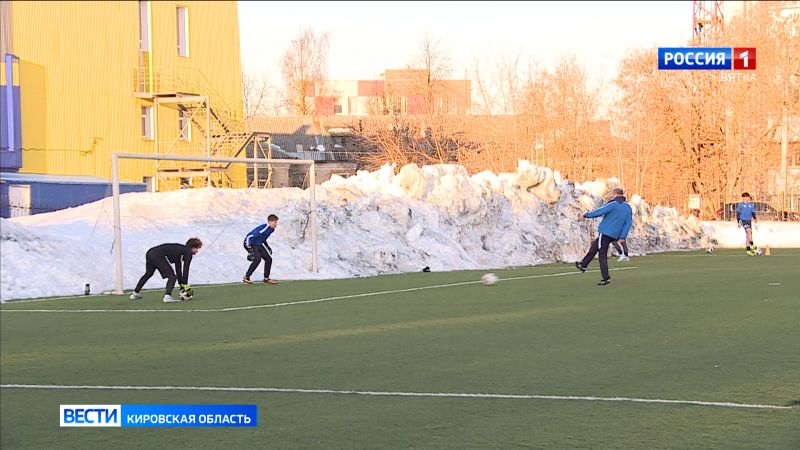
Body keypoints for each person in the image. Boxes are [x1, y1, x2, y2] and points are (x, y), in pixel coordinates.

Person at [576, 187, 633, 285]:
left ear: (615, 194)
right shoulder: (628, 207)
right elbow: (628, 223)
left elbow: (599, 212)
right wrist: (622, 236)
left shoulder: (613, 204)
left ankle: (606, 278)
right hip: (615, 234)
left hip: (606, 232)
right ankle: (583, 264)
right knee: (595, 246)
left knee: (602, 254)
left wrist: (586, 215)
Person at [129, 238, 203, 303]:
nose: (197, 251)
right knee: (172, 276)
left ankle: (135, 294)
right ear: (193, 247)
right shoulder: (188, 252)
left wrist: (182, 285)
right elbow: (186, 269)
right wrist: (185, 285)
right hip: (158, 255)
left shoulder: (181, 250)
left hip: (150, 252)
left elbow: (179, 269)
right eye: (197, 248)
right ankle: (167, 297)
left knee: (148, 274)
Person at [243, 214, 279, 285]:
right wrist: (249, 249)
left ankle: (266, 278)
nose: (276, 224)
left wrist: (267, 247)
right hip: (250, 243)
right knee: (257, 259)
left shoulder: (271, 229)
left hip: (258, 245)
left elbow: (263, 238)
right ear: (270, 222)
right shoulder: (264, 228)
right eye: (275, 222)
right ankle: (246, 277)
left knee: (268, 259)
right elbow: (249, 236)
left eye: (276, 222)